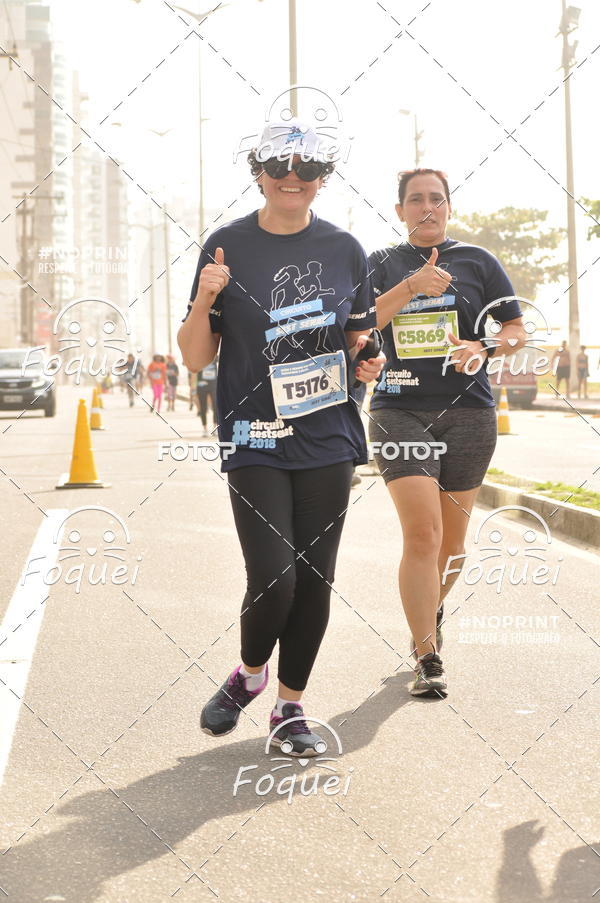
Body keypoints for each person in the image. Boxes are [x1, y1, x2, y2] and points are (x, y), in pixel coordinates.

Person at [178, 119, 384, 757]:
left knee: (314, 580)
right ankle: (247, 675)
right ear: (258, 171)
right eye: (279, 167)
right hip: (254, 434)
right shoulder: (226, 245)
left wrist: (367, 359)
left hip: (328, 434)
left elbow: (355, 336)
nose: (292, 178)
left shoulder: (346, 248)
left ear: (323, 178)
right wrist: (203, 300)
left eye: (306, 169)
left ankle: (289, 710)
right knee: (275, 578)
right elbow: (192, 357)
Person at [368, 168, 526, 698]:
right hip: (399, 409)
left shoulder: (479, 262)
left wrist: (484, 347)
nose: (427, 207)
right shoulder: (379, 264)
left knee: (453, 546)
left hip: (469, 413)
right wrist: (411, 285)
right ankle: (426, 654)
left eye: (437, 198)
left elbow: (515, 330)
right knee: (423, 534)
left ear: (450, 207)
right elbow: (361, 324)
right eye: (416, 200)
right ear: (400, 211)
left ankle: (429, 607)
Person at [196, 359, 217, 436]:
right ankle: (205, 429)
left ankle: (215, 429)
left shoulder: (215, 357)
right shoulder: (199, 357)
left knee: (215, 407)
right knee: (203, 408)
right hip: (202, 385)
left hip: (213, 386)